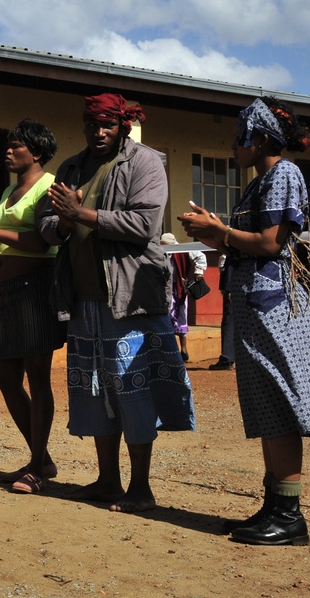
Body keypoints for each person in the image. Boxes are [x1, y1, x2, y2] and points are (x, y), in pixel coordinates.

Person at [179, 96, 310, 545]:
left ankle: (290, 517)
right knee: (267, 407)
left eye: (239, 138)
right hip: (255, 307)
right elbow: (249, 243)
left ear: (262, 138)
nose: (234, 146)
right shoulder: (258, 183)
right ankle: (274, 506)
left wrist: (221, 232)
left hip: (276, 310)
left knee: (282, 405)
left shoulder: (284, 175)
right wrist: (218, 232)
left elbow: (272, 243)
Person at [40, 93, 195, 513]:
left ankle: (140, 487)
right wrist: (65, 221)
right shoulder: (72, 166)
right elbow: (47, 225)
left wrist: (82, 214)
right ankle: (108, 480)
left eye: (107, 124)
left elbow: (146, 223)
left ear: (123, 125)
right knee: (93, 392)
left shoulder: (145, 163)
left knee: (133, 391)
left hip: (128, 302)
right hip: (83, 301)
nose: (98, 132)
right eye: (92, 124)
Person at [0, 119, 67, 493]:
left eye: (16, 146)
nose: (7, 151)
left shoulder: (48, 187)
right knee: (6, 378)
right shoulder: (9, 190)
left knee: (37, 376)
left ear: (36, 152)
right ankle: (41, 456)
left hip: (37, 288)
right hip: (12, 291)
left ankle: (37, 466)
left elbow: (42, 242)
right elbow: (4, 242)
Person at [160, 233, 207, 362]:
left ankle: (184, 349)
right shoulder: (160, 252)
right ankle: (171, 350)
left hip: (179, 289)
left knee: (181, 317)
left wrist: (199, 272)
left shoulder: (182, 250)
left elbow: (200, 256)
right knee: (167, 318)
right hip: (165, 290)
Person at [209, 252, 236, 370]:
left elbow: (230, 268)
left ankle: (227, 358)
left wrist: (228, 289)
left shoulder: (233, 255)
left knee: (229, 321)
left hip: (233, 290)